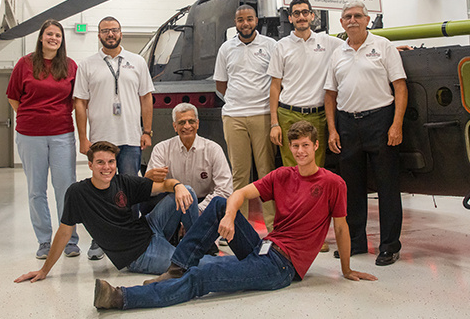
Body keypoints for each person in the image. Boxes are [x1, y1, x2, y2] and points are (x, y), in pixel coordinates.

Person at [92, 121, 377, 310]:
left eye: (305, 145)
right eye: (295, 146)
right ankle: (177, 266)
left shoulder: (332, 183)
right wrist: (229, 216)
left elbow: (341, 228)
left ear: (316, 146)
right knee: (218, 205)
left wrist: (347, 269)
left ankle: (121, 297)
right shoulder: (282, 175)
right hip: (264, 247)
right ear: (289, 148)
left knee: (203, 276)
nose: (300, 151)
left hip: (281, 267)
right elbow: (238, 194)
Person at [14, 141, 199, 283]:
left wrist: (177, 185)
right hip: (138, 255)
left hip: (150, 228)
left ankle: (199, 245)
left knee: (187, 191)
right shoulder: (78, 193)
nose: (107, 167)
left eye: (111, 162)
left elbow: (163, 185)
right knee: (196, 265)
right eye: (100, 162)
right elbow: (64, 232)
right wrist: (44, 270)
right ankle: (196, 256)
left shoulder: (123, 182)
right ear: (90, 165)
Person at [324, 1, 408, 266]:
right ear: (341, 23)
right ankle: (357, 241)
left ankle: (389, 246)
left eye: (357, 16)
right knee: (351, 188)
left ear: (367, 19)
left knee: (387, 187)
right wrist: (333, 129)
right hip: (348, 124)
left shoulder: (383, 46)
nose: (352, 20)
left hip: (380, 121)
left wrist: (396, 125)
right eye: (347, 16)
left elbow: (400, 88)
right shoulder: (337, 53)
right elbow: (330, 94)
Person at [74, 16, 155, 259]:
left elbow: (146, 97)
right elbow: (80, 102)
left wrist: (147, 131)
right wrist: (83, 139)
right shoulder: (87, 65)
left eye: (114, 30)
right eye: (105, 31)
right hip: (101, 141)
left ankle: (130, 237)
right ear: (98, 35)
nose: (110, 34)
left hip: (131, 137)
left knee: (130, 189)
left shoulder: (137, 62)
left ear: (121, 33)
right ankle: (100, 240)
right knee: (103, 190)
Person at [267, 0, 343, 252]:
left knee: (314, 179)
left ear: (312, 16)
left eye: (305, 13)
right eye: (296, 13)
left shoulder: (327, 42)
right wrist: (274, 123)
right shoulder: (282, 46)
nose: (300, 17)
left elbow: (355, 45)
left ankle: (314, 235)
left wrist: (395, 48)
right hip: (288, 115)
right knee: (292, 179)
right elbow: (275, 86)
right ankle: (294, 232)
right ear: (290, 18)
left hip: (317, 117)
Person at [6, 19, 80, 259]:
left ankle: (69, 240)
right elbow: (13, 96)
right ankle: (44, 241)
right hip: (30, 136)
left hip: (61, 133)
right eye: (49, 34)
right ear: (41, 37)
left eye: (58, 35)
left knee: (65, 188)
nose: (54, 38)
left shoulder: (70, 66)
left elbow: (76, 98)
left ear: (62, 40)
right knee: (36, 190)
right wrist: (31, 116)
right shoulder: (24, 64)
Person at [213, 4, 277, 231]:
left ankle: (273, 228)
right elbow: (221, 84)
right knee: (239, 175)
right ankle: (239, 229)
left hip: (262, 114)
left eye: (249, 19)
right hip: (234, 117)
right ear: (235, 22)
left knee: (266, 174)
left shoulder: (271, 46)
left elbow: (278, 81)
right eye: (241, 20)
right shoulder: (226, 49)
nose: (245, 23)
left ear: (256, 20)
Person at [144, 103, 233, 213]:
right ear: (175, 126)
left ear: (198, 124)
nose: (187, 126)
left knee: (223, 204)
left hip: (205, 203)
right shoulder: (161, 149)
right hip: (173, 202)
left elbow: (225, 190)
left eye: (191, 121)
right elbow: (150, 190)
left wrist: (199, 210)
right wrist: (147, 179)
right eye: (181, 122)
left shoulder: (213, 149)